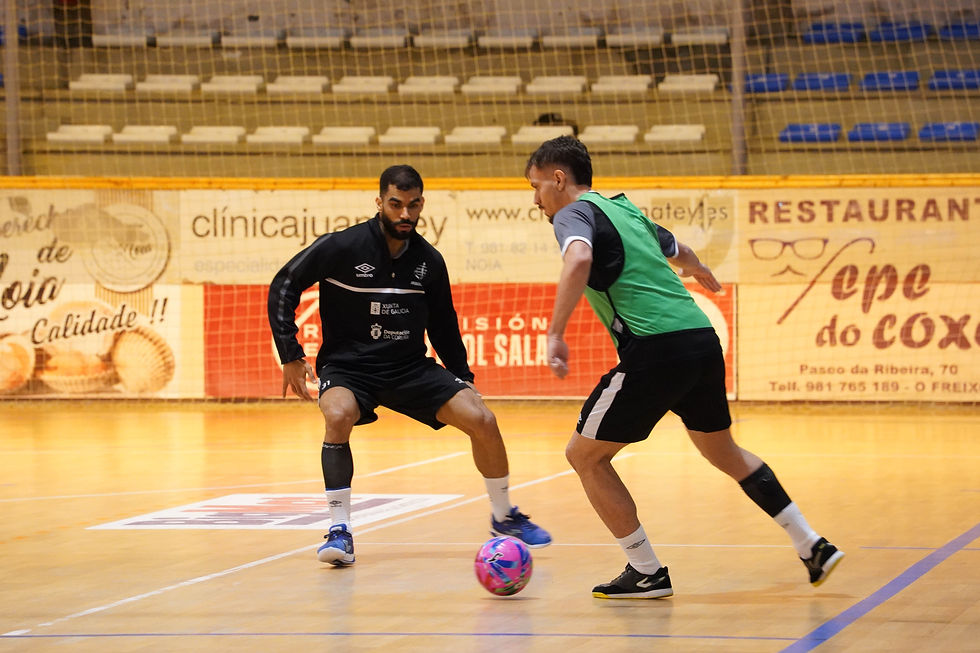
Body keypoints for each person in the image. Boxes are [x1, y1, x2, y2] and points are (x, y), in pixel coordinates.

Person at [524, 136, 842, 598]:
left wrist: (555, 333)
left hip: (655, 348)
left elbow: (579, 257)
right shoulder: (625, 209)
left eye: (536, 187)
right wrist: (698, 271)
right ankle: (810, 543)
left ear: (558, 179)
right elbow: (681, 251)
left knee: (583, 456)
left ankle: (646, 570)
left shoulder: (574, 213)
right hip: (700, 340)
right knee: (725, 452)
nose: (536, 200)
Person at [268, 164, 551, 566]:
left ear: (422, 204)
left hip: (408, 368)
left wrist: (464, 378)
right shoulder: (342, 247)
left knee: (483, 420)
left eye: (413, 205)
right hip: (350, 368)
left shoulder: (428, 261)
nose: (405, 214)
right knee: (337, 414)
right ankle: (339, 530)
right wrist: (290, 353)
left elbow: (444, 325)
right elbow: (285, 283)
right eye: (396, 204)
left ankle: (504, 516)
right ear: (380, 202)